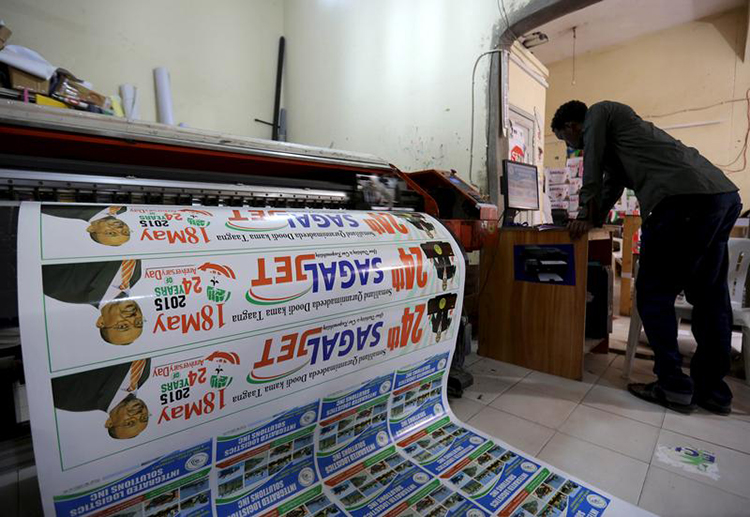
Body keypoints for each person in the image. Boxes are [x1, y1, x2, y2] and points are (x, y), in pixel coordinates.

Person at [551, 100, 741, 415]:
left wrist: (584, 213)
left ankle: (672, 385)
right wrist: (594, 218)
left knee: (653, 293)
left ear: (571, 127)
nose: (570, 146)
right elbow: (610, 185)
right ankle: (713, 390)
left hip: (682, 202)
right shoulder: (621, 144)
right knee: (709, 297)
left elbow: (593, 165)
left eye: (564, 140)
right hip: (719, 198)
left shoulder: (599, 112)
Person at [43, 259, 143, 346]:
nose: (133, 317)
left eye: (122, 326)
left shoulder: (61, 287)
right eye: (138, 322)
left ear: (101, 322)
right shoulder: (135, 276)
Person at [52, 359, 150, 439]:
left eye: (129, 422)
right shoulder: (144, 376)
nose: (138, 415)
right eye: (144, 418)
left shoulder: (71, 398)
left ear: (109, 422)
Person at [42, 205, 131, 246]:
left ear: (91, 229)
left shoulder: (60, 209)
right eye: (125, 232)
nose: (119, 229)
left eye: (111, 233)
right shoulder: (124, 208)